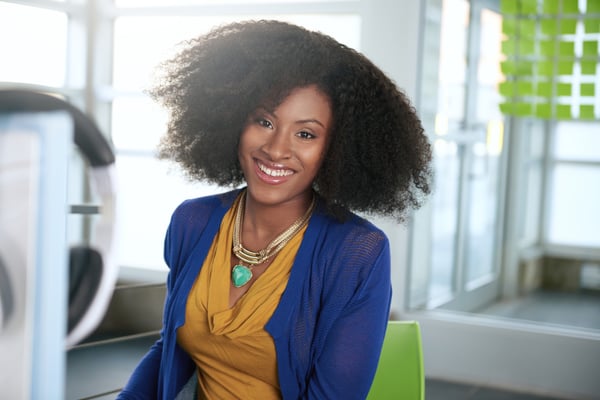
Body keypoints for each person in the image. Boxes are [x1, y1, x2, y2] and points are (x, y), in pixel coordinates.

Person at [117, 19, 432, 400]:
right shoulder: (192, 222)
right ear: (235, 120)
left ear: (335, 150)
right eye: (264, 121)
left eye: (305, 134)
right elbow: (171, 348)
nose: (276, 149)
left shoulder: (356, 252)